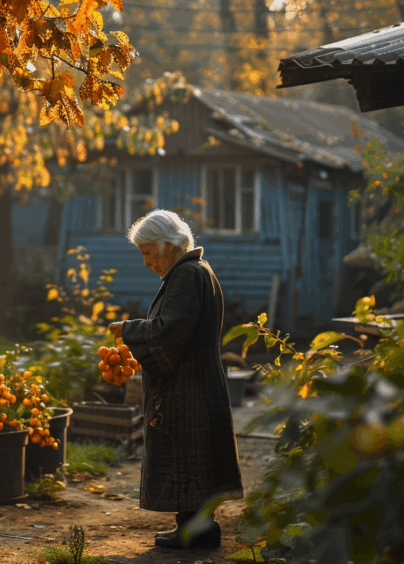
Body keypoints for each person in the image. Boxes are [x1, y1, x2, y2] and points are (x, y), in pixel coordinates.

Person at [108, 209, 244, 550]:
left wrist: (129, 330)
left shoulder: (186, 275)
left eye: (147, 252)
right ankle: (197, 529)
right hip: (199, 382)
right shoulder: (200, 272)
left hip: (189, 388)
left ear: (167, 246)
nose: (146, 262)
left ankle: (194, 532)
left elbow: (172, 329)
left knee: (187, 455)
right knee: (194, 456)